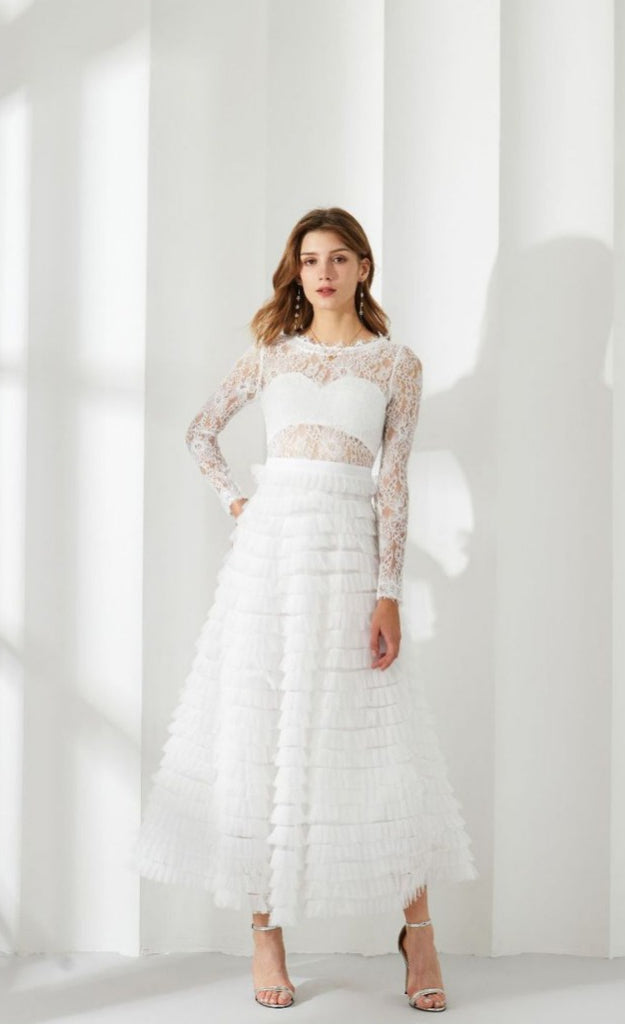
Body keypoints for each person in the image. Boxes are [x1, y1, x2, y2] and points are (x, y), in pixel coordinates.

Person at [129, 207, 479, 1012]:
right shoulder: (270, 355)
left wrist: (389, 591)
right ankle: (265, 931)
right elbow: (201, 431)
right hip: (269, 560)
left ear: (364, 268)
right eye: (311, 259)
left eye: (340, 258)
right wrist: (237, 501)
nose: (324, 272)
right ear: (297, 269)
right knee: (260, 730)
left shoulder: (396, 364)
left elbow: (393, 484)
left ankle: (419, 932)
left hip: (350, 556)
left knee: (381, 741)